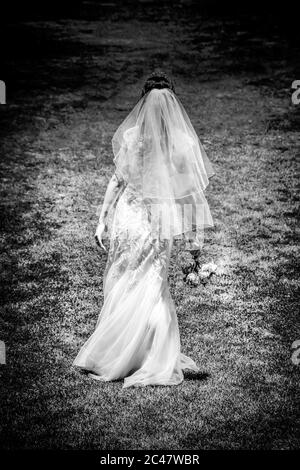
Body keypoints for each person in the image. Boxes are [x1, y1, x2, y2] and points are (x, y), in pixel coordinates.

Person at [73, 71, 215, 388]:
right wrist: (196, 242)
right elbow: (190, 194)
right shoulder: (182, 143)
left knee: (124, 280)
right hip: (158, 222)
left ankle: (119, 353)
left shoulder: (132, 136)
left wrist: (103, 218)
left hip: (129, 218)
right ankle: (153, 357)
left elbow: (118, 180)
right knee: (155, 287)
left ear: (142, 102)